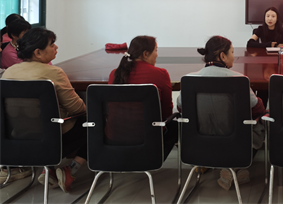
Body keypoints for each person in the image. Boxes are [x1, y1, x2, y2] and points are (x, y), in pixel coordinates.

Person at [1, 28, 87, 192]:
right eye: (52, 44)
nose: (56, 47)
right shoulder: (54, 73)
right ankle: (70, 170)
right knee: (94, 122)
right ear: (38, 52)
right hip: (53, 141)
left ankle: (50, 171)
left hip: (16, 139)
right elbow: (78, 109)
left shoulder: (9, 72)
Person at [177, 35, 265, 191]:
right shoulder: (239, 80)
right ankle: (234, 167)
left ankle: (211, 162)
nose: (234, 57)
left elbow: (181, 108)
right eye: (232, 52)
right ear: (222, 56)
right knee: (260, 124)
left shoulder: (189, 80)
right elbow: (258, 109)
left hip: (199, 144)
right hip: (234, 143)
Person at [108, 36, 177, 160]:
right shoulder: (160, 74)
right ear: (145, 54)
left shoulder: (114, 74)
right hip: (148, 138)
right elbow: (166, 112)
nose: (157, 55)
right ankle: (153, 160)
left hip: (115, 136)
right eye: (156, 50)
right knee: (175, 125)